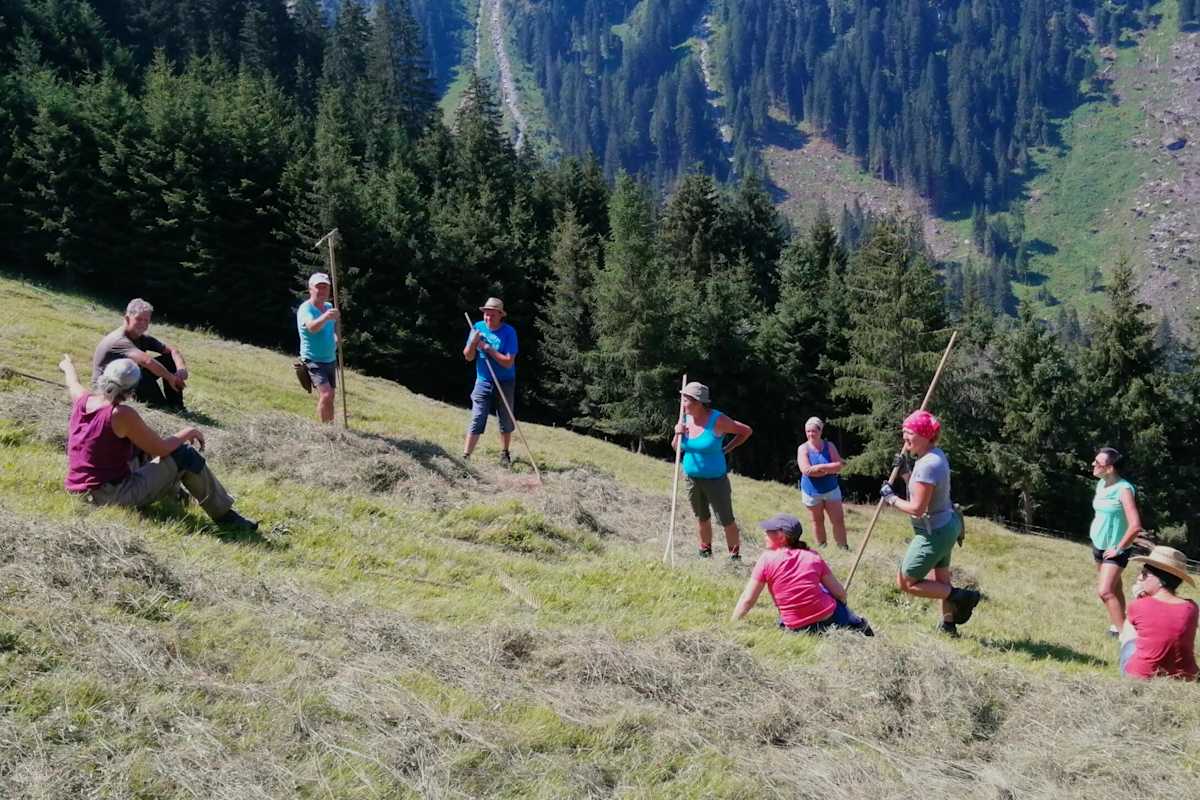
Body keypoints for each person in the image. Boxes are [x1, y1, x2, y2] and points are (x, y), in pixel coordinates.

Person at [59, 354, 257, 531]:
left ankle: (178, 496)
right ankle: (225, 515)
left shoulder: (83, 400)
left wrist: (68, 366)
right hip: (110, 496)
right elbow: (161, 449)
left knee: (139, 448)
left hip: (81, 492)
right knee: (184, 455)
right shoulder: (121, 414)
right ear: (132, 390)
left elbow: (73, 383)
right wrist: (188, 431)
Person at [880, 410, 980, 636]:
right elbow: (919, 492)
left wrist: (891, 498)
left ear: (925, 436)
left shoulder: (927, 465)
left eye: (910, 435)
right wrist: (906, 474)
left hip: (933, 532)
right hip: (946, 525)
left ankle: (961, 597)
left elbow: (917, 508)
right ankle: (948, 626)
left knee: (906, 582)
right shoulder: (933, 456)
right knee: (941, 579)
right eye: (904, 434)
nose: (905, 440)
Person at [732, 513, 873, 635]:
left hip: (795, 627)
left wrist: (732, 623)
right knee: (827, 593)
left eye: (769, 530)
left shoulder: (766, 559)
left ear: (781, 536)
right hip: (829, 620)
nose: (764, 532)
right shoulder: (813, 556)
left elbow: (748, 599)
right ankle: (857, 623)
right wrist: (842, 606)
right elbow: (840, 593)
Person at [672, 381, 753, 560]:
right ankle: (705, 551)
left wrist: (727, 449)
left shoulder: (718, 420)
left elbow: (746, 431)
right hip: (692, 478)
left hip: (716, 480)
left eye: (686, 400)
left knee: (726, 519)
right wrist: (678, 433)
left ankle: (734, 557)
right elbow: (676, 448)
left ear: (698, 402)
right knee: (701, 516)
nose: (682, 404)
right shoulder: (684, 418)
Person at [93, 298, 188, 411]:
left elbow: (173, 351)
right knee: (140, 371)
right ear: (127, 318)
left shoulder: (141, 338)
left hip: (125, 381)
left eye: (146, 320)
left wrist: (181, 369)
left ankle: (177, 407)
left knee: (169, 359)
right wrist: (170, 377)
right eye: (138, 319)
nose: (142, 324)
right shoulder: (118, 339)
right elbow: (146, 361)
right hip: (107, 387)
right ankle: (161, 405)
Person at [1087, 446, 1143, 637]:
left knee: (1105, 591)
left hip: (1116, 548)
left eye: (1098, 463)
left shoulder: (1124, 489)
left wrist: (1119, 548)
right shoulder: (1101, 485)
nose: (1093, 464)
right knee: (1115, 586)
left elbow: (1135, 526)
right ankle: (1118, 624)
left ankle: (1126, 638)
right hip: (1098, 544)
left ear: (1110, 468)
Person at [1119, 546, 1197, 681]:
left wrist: (1139, 599)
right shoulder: (1192, 607)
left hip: (1140, 676)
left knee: (1130, 636)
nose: (1139, 578)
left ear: (1159, 580)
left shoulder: (1138, 605)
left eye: (1144, 574)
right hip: (1185, 677)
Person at [463, 297, 518, 465]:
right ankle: (466, 456)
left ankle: (504, 453)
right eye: (486, 314)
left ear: (501, 315)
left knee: (505, 419)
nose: (488, 318)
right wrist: (473, 343)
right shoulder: (477, 328)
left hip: (505, 381)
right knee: (477, 417)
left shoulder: (509, 333)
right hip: (483, 381)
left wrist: (487, 348)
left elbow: (508, 361)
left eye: (492, 315)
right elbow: (468, 356)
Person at [797, 416, 848, 550]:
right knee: (817, 521)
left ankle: (843, 547)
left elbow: (839, 465)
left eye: (813, 431)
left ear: (820, 432)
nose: (810, 434)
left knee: (838, 520)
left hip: (831, 489)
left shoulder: (829, 445)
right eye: (808, 431)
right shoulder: (803, 448)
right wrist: (828, 469)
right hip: (811, 492)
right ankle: (822, 547)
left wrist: (820, 468)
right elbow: (806, 470)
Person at [297, 272, 340, 423]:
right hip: (313, 359)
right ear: (310, 289)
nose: (322, 291)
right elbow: (311, 327)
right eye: (318, 287)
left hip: (330, 358)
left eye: (325, 287)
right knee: (326, 394)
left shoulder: (329, 307)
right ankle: (324, 430)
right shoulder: (305, 309)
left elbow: (333, 328)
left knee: (331, 396)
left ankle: (331, 425)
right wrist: (326, 316)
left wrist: (336, 338)